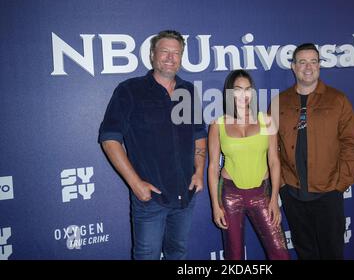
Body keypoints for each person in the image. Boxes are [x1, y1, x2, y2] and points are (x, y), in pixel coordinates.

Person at [98, 30, 207, 260]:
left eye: (176, 53)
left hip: (185, 196)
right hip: (151, 201)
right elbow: (109, 138)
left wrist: (199, 172)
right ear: (152, 55)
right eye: (165, 51)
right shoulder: (130, 90)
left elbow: (198, 134)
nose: (170, 57)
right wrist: (135, 183)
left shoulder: (187, 91)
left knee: (177, 254)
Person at [273, 43, 354, 260]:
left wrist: (341, 183)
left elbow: (351, 143)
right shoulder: (278, 102)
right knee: (305, 253)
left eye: (313, 61)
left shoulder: (338, 100)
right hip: (293, 193)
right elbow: (271, 146)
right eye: (302, 62)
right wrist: (282, 184)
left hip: (328, 193)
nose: (308, 67)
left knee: (332, 253)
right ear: (293, 67)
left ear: (319, 65)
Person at [208, 70, 290, 260]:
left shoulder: (267, 121)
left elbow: (274, 161)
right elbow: (213, 167)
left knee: (280, 253)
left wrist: (274, 200)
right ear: (229, 92)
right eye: (238, 90)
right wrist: (215, 205)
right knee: (234, 255)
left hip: (262, 194)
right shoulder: (218, 125)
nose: (244, 95)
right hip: (230, 195)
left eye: (247, 89)